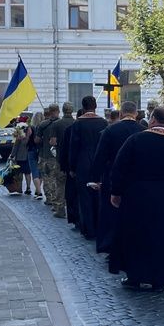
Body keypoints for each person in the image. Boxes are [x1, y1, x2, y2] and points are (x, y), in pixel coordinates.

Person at [109, 106, 164, 289]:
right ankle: (162, 277)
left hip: (137, 196)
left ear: (154, 119)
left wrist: (116, 192)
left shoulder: (135, 140)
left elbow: (119, 167)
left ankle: (136, 276)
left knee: (137, 235)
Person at [90, 101, 144, 271]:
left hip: (112, 177)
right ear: (136, 114)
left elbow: (100, 156)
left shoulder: (110, 130)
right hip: (137, 180)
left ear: (121, 114)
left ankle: (111, 245)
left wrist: (95, 178)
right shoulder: (143, 131)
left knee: (111, 213)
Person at [67, 96, 108, 239]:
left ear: (83, 107)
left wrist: (72, 167)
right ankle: (99, 227)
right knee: (99, 195)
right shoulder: (103, 122)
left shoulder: (78, 123)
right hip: (99, 162)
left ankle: (88, 229)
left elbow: (74, 147)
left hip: (82, 162)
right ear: (95, 106)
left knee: (85, 197)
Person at [36, 105, 65, 215]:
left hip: (45, 155)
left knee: (47, 178)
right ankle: (58, 201)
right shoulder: (62, 123)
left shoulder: (43, 124)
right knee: (58, 180)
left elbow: (37, 140)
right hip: (58, 156)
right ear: (58, 111)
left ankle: (49, 199)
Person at [53, 102, 77, 220]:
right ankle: (73, 209)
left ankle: (60, 209)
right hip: (74, 160)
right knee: (73, 186)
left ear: (62, 110)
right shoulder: (76, 123)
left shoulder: (57, 124)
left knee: (60, 184)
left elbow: (52, 141)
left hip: (60, 158)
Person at [11, 122, 34, 195]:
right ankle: (28, 188)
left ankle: (20, 188)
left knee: (19, 173)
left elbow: (16, 147)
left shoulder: (19, 137)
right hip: (28, 156)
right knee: (27, 173)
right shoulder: (30, 136)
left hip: (20, 157)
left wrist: (12, 156)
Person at [26, 112, 45, 200]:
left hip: (31, 150)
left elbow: (26, 141)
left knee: (34, 171)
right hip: (41, 151)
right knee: (40, 172)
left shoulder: (31, 128)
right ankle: (38, 191)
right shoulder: (44, 127)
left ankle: (39, 192)